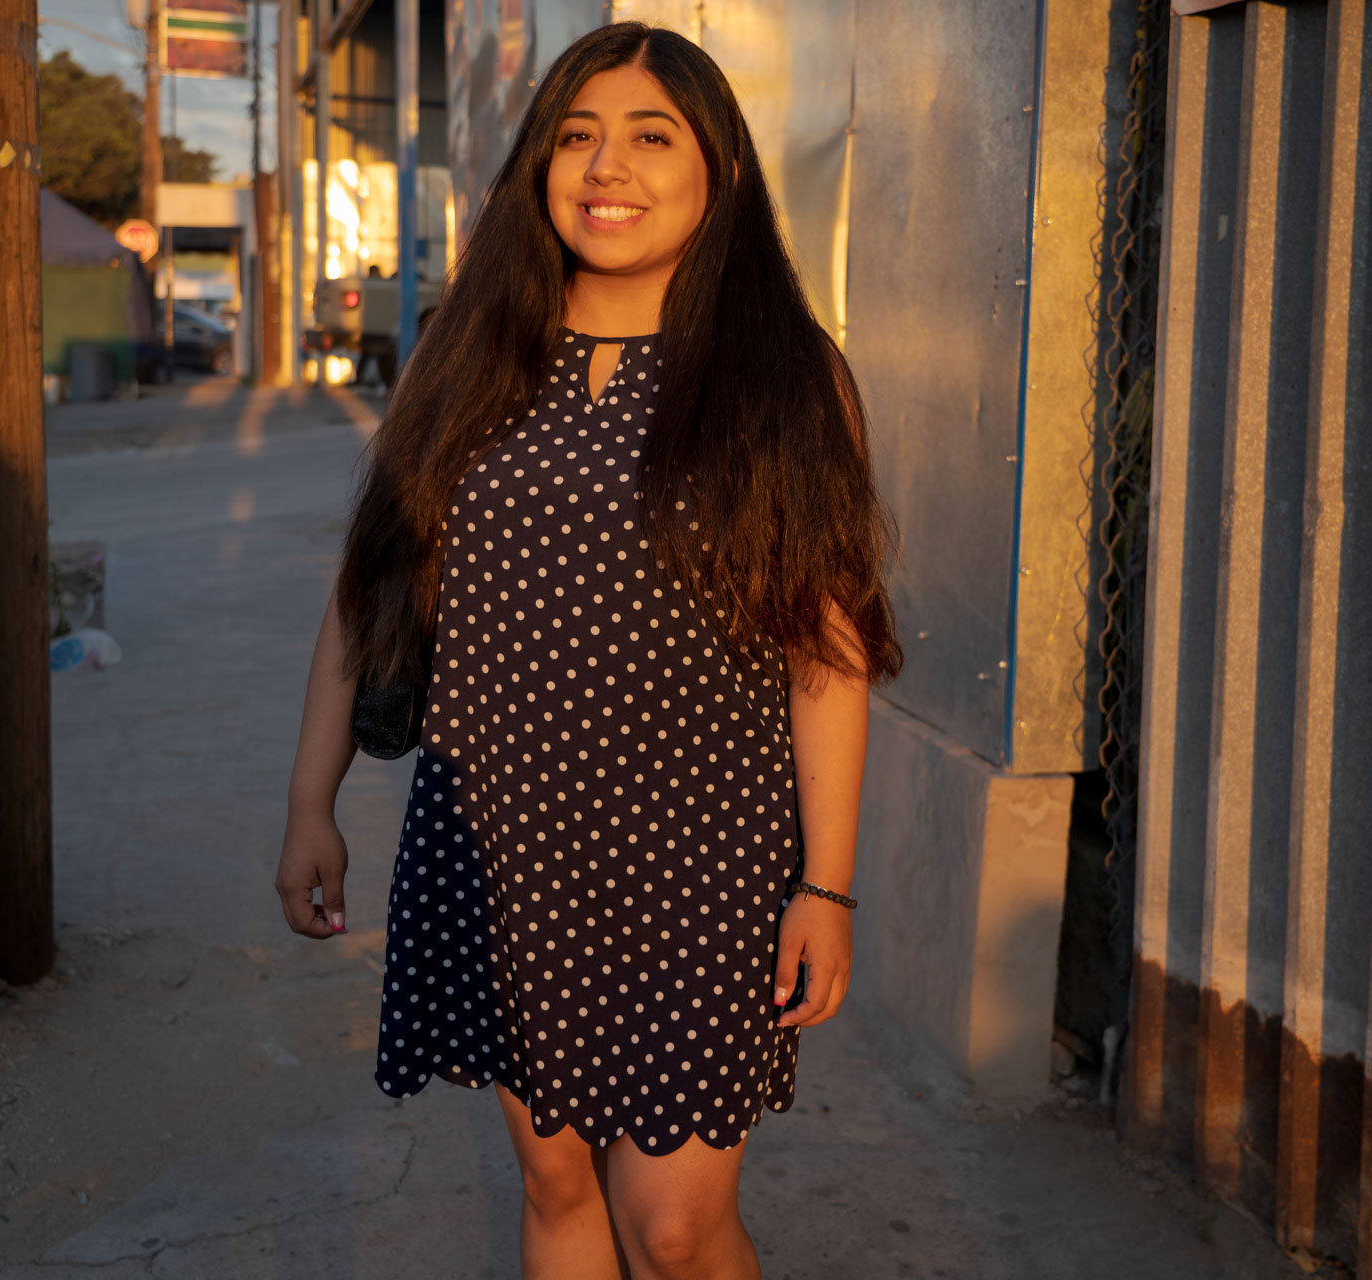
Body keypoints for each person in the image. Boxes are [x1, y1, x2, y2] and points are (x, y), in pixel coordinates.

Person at [274, 22, 899, 1280]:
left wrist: (823, 886)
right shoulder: (465, 352)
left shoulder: (785, 373)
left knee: (673, 1225)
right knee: (557, 1180)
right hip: (497, 839)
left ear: (717, 167)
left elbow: (825, 648)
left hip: (704, 856)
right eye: (577, 136)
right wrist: (312, 800)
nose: (606, 167)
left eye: (650, 137)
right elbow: (366, 591)